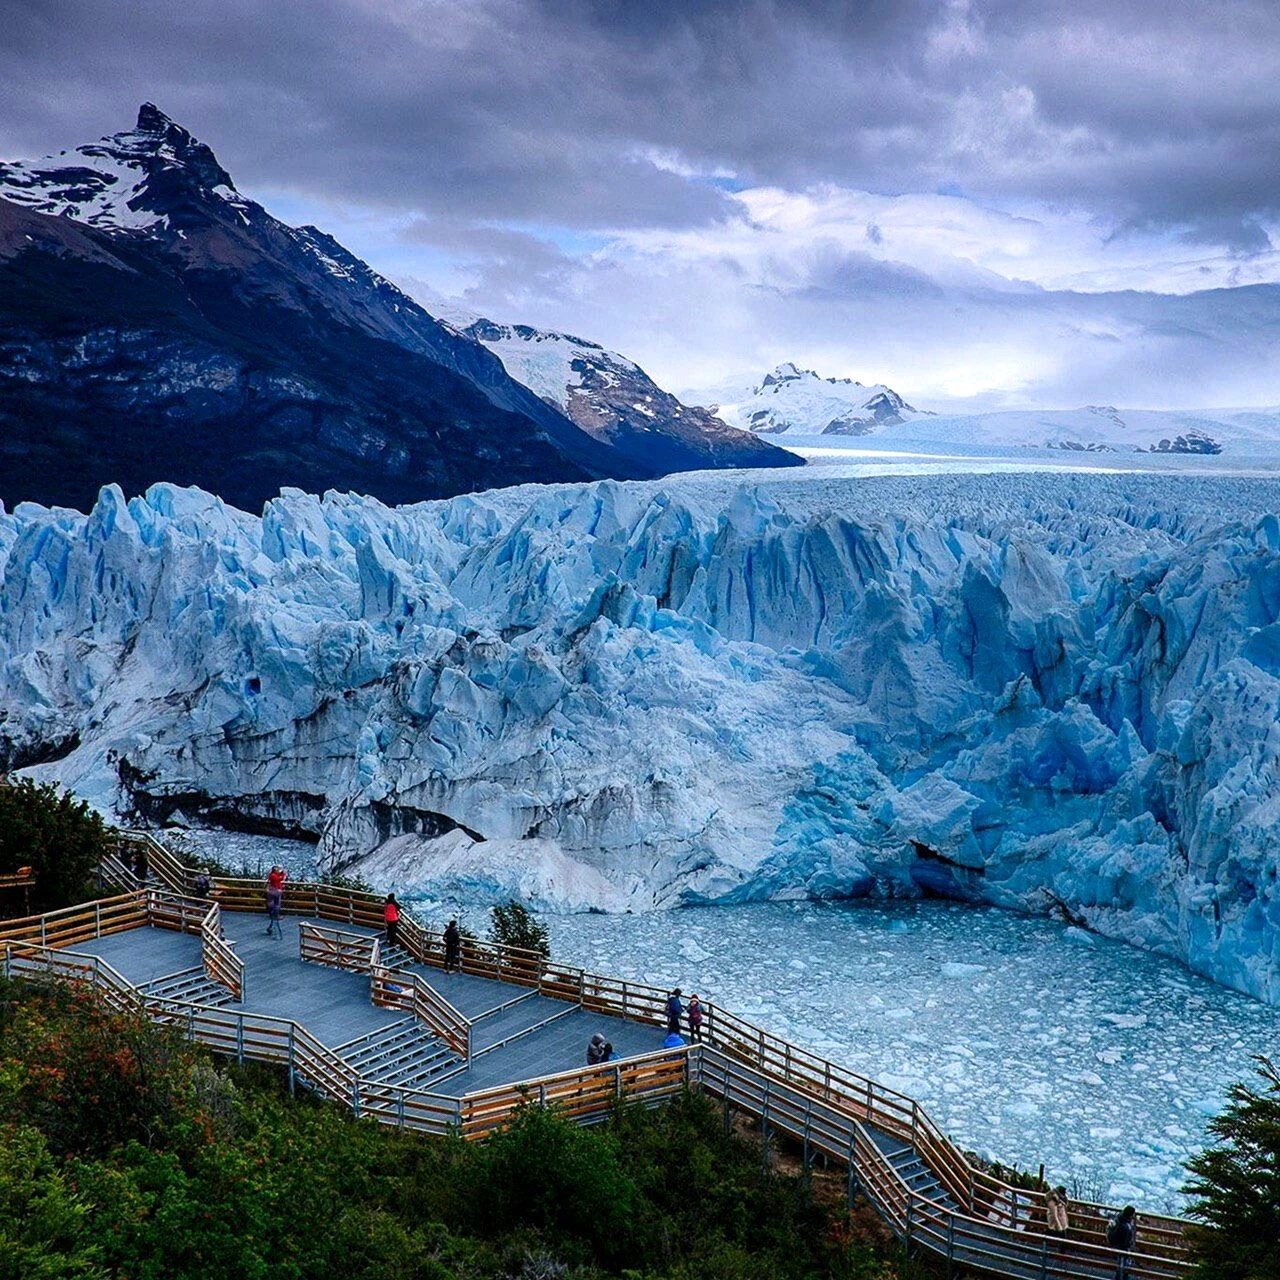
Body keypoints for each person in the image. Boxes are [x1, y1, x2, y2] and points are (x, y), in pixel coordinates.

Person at [1107, 1205, 1137, 1279]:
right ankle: (1122, 1277)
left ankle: (1121, 1277)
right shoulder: (1126, 1226)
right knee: (1123, 1265)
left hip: (1118, 1246)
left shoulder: (1119, 1219)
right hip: (1123, 1248)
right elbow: (1127, 1240)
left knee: (1121, 1265)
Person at [265, 865, 286, 938]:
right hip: (275, 891)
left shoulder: (272, 875)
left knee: (272, 904)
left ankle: (272, 916)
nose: (278, 870)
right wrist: (283, 874)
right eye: (277, 869)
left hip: (273, 891)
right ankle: (275, 915)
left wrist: (282, 873)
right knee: (276, 904)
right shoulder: (274, 876)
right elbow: (279, 879)